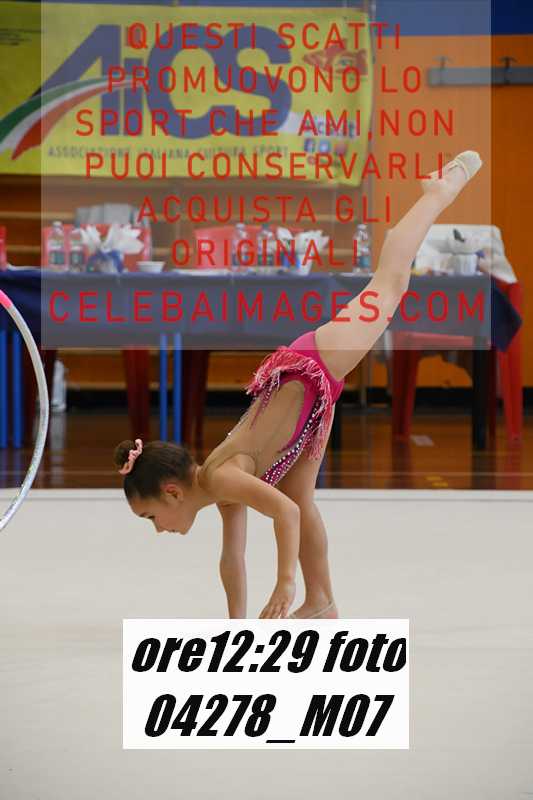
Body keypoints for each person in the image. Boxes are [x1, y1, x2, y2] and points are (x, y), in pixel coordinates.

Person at [114, 151, 483, 620]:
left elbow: (282, 516)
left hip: (317, 359)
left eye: (150, 517)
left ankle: (437, 193)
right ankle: (322, 601)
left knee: (389, 282)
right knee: (302, 498)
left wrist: (283, 582)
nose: (157, 529)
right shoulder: (219, 490)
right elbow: (232, 559)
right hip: (312, 402)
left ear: (171, 492)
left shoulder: (223, 479)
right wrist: (236, 627)